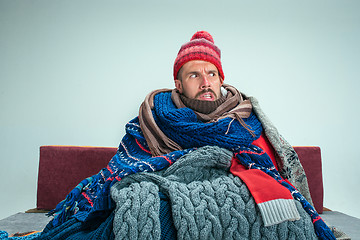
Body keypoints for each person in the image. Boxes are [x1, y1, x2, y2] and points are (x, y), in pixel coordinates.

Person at [35, 31, 335, 240]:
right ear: (178, 84)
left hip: (237, 193)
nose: (205, 82)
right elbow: (125, 169)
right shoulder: (153, 119)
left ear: (221, 79)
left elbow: (267, 171)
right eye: (194, 75)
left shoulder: (247, 121)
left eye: (211, 73)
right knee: (142, 205)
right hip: (169, 192)